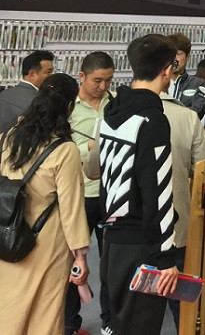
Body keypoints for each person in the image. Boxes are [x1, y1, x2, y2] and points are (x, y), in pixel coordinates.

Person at [85, 34, 179, 335]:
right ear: (167, 70)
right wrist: (165, 257)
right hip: (142, 246)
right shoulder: (152, 120)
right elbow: (158, 190)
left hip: (112, 243)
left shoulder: (110, 113)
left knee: (120, 325)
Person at [0, 73, 91, 335]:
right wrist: (80, 256)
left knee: (9, 304)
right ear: (69, 107)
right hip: (47, 241)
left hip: (9, 231)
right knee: (46, 311)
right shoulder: (64, 150)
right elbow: (72, 209)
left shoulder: (10, 136)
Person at [64, 52, 115, 335]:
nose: (103, 86)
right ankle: (71, 323)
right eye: (97, 80)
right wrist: (89, 148)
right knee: (72, 263)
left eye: (108, 80)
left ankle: (109, 320)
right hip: (79, 195)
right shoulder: (69, 108)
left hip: (110, 194)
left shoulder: (115, 102)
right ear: (81, 76)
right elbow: (61, 148)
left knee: (110, 262)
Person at [159, 85, 205, 330]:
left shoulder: (114, 112)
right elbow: (204, 171)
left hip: (128, 231)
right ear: (167, 73)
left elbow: (93, 169)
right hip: (175, 225)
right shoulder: (187, 117)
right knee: (178, 297)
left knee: (132, 303)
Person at [0, 49, 55, 132]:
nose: (52, 76)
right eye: (48, 72)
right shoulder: (41, 101)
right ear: (32, 74)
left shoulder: (3, 94)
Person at [167, 33, 205, 119]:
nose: (173, 58)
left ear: (188, 57)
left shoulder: (199, 83)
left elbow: (196, 113)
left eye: (178, 53)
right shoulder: (156, 81)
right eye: (169, 53)